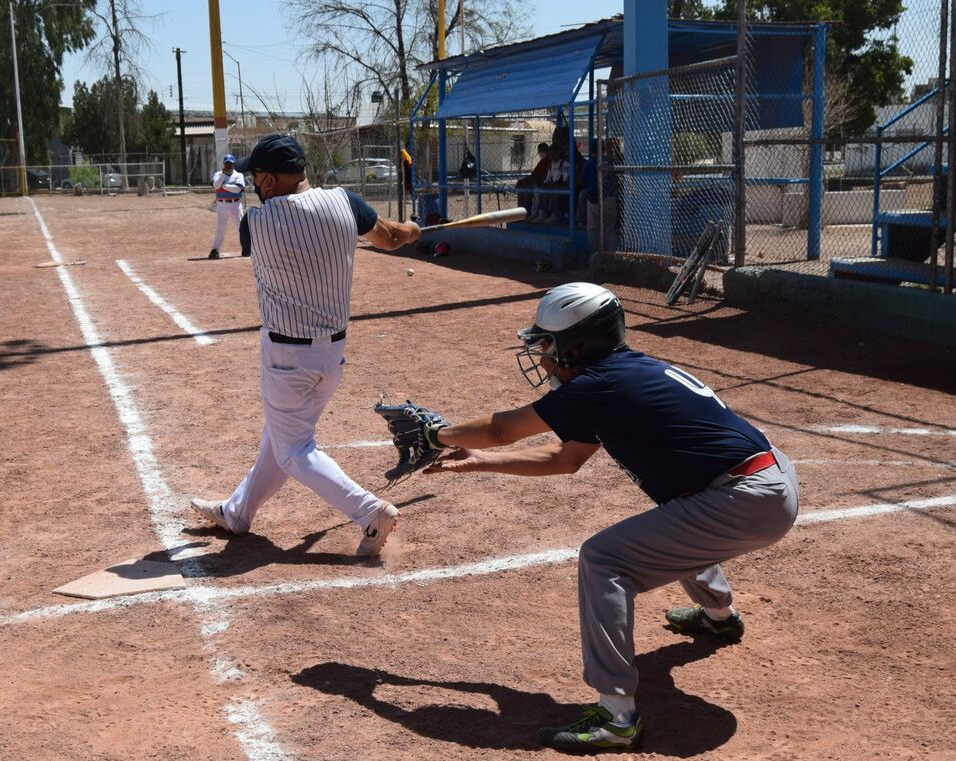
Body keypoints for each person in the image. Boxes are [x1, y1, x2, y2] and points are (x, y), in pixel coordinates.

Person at [419, 282, 799, 752]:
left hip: (746, 499)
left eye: (548, 346)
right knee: (675, 516)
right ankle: (719, 616)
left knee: (604, 559)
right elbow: (567, 457)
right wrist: (478, 461)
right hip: (760, 484)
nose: (542, 358)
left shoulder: (600, 384)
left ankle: (616, 718)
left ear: (578, 346)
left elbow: (503, 428)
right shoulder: (620, 375)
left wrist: (436, 435)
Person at [190, 134, 422, 556]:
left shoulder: (254, 224)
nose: (256, 184)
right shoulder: (345, 202)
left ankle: (369, 512)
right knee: (280, 439)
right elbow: (389, 236)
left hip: (286, 357)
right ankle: (237, 512)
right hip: (331, 355)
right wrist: (409, 231)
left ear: (274, 178)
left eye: (258, 176)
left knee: (293, 448)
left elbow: (282, 231)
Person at [209, 154, 247, 259]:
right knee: (220, 228)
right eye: (226, 163)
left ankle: (246, 247)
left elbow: (238, 189)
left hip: (235, 204)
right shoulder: (218, 174)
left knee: (240, 227)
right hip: (222, 204)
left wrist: (225, 186)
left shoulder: (238, 175)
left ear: (233, 164)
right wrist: (222, 175)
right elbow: (216, 186)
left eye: (230, 163)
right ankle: (215, 250)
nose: (228, 166)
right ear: (224, 164)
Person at [515, 143, 550, 220]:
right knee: (522, 189)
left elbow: (543, 177)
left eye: (543, 151)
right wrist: (523, 181)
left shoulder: (549, 161)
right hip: (536, 183)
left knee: (531, 191)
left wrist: (532, 181)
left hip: (543, 184)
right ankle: (521, 213)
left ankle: (531, 213)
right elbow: (533, 174)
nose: (541, 153)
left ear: (547, 151)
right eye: (540, 151)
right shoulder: (541, 162)